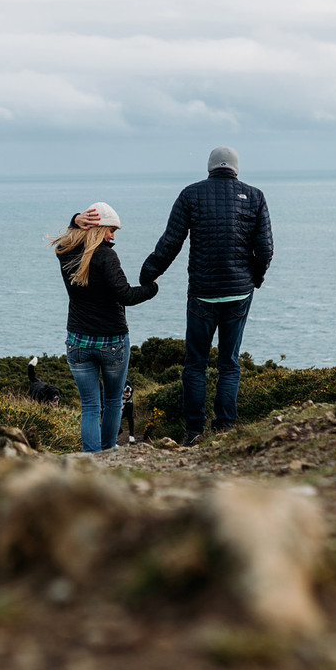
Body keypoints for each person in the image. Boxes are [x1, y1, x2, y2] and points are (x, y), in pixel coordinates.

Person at [82, 147, 272, 442]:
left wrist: (148, 274)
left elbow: (171, 241)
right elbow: (265, 249)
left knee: (195, 364)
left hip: (202, 295)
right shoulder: (256, 196)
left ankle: (194, 431)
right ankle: (224, 429)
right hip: (238, 294)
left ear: (209, 169)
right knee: (229, 363)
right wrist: (254, 280)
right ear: (236, 169)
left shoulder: (191, 194)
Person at [51, 201, 159, 453]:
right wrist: (152, 288)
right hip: (112, 341)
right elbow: (126, 296)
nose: (113, 237)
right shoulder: (106, 256)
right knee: (112, 401)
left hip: (78, 341)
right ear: (97, 229)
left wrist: (74, 219)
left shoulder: (65, 251)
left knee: (90, 406)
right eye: (111, 230)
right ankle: (108, 453)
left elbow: (63, 241)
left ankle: (91, 458)